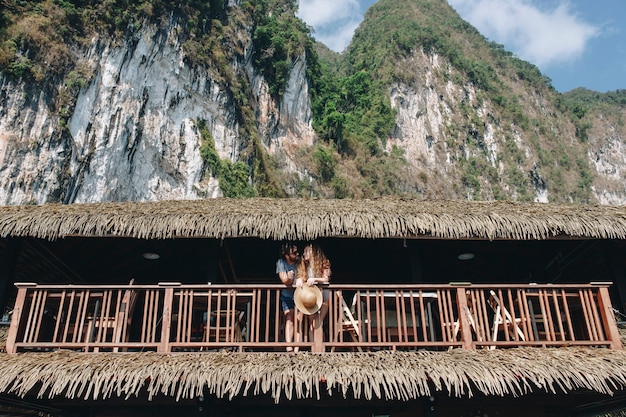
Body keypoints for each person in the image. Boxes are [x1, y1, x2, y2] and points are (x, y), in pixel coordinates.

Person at [295, 242, 332, 341]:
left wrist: (315, 279)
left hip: (323, 297)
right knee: (312, 324)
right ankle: (314, 351)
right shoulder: (304, 266)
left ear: (313, 252)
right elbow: (300, 277)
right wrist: (299, 280)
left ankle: (321, 350)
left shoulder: (323, 263)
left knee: (317, 323)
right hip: (310, 297)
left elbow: (326, 279)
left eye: (307, 251)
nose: (304, 253)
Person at [276, 241, 300, 352]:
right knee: (289, 318)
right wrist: (289, 278)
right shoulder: (281, 262)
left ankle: (297, 346)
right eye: (294, 253)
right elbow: (284, 280)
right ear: (287, 256)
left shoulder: (300, 262)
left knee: (299, 319)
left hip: (300, 295)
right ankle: (289, 345)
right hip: (287, 295)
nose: (297, 254)